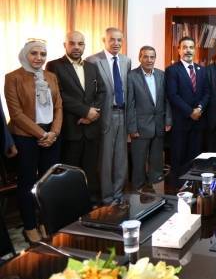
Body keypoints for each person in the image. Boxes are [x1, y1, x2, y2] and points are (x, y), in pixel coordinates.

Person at [4, 40, 62, 242]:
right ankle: (29, 226)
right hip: (25, 137)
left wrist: (54, 132)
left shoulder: (51, 76)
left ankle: (46, 222)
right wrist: (41, 134)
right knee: (27, 182)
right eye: (34, 53)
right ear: (25, 55)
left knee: (48, 183)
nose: (39, 57)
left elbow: (58, 107)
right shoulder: (12, 77)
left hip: (51, 136)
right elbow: (16, 114)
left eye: (43, 54)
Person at [46, 31, 106, 204]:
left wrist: (93, 114)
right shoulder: (54, 65)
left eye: (80, 44)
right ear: (65, 45)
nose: (76, 47)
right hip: (71, 128)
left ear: (84, 46)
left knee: (90, 169)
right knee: (70, 172)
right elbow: (59, 94)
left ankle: (91, 204)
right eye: (72, 43)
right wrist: (85, 111)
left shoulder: (91, 67)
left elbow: (102, 91)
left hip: (92, 127)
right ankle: (71, 207)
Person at [87, 27, 132, 205]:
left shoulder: (126, 61)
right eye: (112, 39)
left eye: (119, 40)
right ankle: (107, 198)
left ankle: (118, 194)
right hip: (105, 115)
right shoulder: (93, 61)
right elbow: (90, 92)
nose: (116, 43)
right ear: (104, 40)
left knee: (121, 158)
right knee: (106, 160)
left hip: (123, 113)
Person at [126, 46, 172, 191]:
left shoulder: (161, 75)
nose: (149, 60)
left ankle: (156, 193)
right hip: (140, 128)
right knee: (138, 164)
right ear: (140, 58)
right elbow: (130, 104)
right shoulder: (131, 76)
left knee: (157, 163)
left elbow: (167, 100)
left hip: (159, 125)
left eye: (152, 57)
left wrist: (168, 120)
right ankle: (137, 194)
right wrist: (132, 128)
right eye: (145, 56)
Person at [165, 37, 209, 182]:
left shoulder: (202, 70)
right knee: (179, 157)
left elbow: (207, 93)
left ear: (194, 50)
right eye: (184, 47)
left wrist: (200, 108)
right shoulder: (172, 70)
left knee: (195, 158)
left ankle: (193, 185)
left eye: (191, 47)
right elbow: (173, 95)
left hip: (198, 123)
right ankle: (177, 188)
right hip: (181, 122)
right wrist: (190, 112)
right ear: (179, 50)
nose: (188, 50)